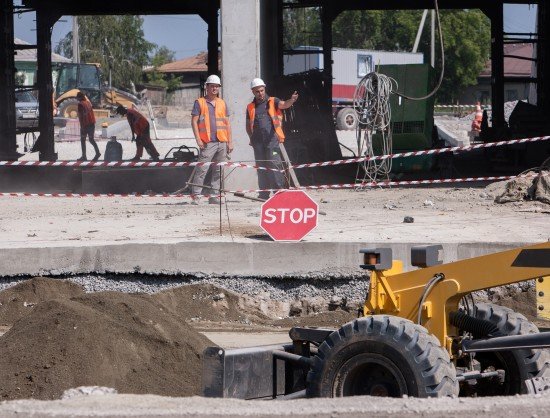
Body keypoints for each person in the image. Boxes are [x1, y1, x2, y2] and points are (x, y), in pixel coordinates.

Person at [246, 78, 298, 200]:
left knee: (275, 165)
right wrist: (251, 138)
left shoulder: (273, 101)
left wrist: (292, 100)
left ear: (264, 89)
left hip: (272, 141)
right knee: (261, 168)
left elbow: (284, 105)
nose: (260, 93)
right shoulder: (250, 107)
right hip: (258, 143)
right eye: (257, 91)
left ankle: (278, 194)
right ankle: (263, 194)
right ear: (253, 92)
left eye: (262, 90)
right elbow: (248, 125)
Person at [190, 74, 233, 205]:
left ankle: (214, 196)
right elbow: (194, 121)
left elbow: (227, 124)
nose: (214, 88)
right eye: (212, 86)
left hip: (222, 141)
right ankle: (196, 196)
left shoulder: (222, 103)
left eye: (217, 86)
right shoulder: (199, 102)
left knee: (219, 170)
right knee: (202, 169)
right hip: (207, 142)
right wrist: (198, 139)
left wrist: (230, 141)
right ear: (207, 87)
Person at [76, 91, 101, 161]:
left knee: (83, 140)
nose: (76, 98)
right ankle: (97, 153)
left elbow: (81, 117)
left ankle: (84, 156)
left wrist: (82, 127)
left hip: (85, 125)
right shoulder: (88, 103)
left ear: (79, 97)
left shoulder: (80, 104)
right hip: (92, 124)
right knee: (91, 139)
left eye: (77, 97)